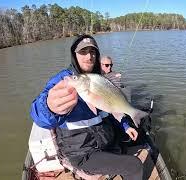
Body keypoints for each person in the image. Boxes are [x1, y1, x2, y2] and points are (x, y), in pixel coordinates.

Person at [30, 34, 143, 179]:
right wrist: (49, 107)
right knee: (134, 165)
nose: (89, 56)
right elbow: (39, 115)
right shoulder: (64, 79)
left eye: (93, 52)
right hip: (82, 152)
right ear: (74, 55)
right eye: (83, 52)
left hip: (104, 141)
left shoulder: (100, 79)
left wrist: (126, 126)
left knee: (140, 135)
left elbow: (111, 109)